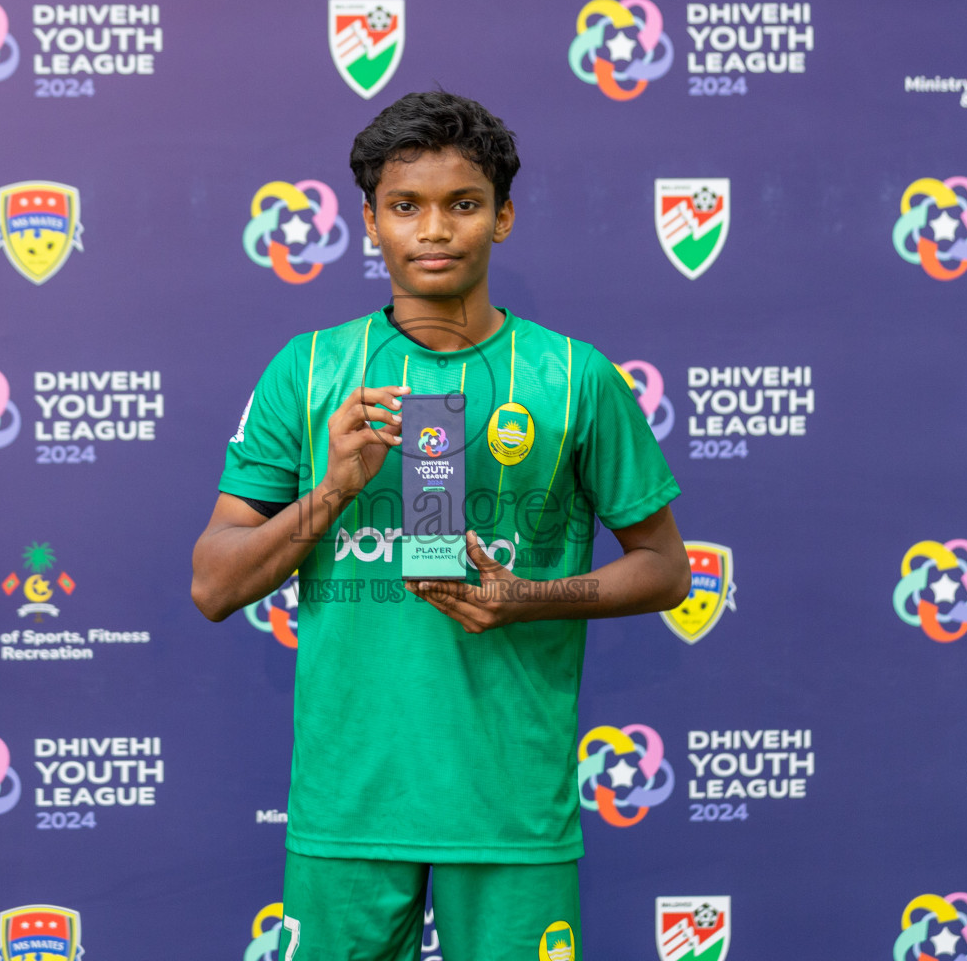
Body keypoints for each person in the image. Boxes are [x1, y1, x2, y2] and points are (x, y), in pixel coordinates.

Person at [191, 90, 689, 961]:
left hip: (508, 803)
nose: (435, 230)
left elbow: (665, 570)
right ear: (369, 222)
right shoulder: (307, 372)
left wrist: (533, 596)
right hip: (351, 807)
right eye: (405, 206)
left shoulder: (576, 377)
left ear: (502, 218)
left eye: (462, 205)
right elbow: (214, 584)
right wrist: (333, 489)